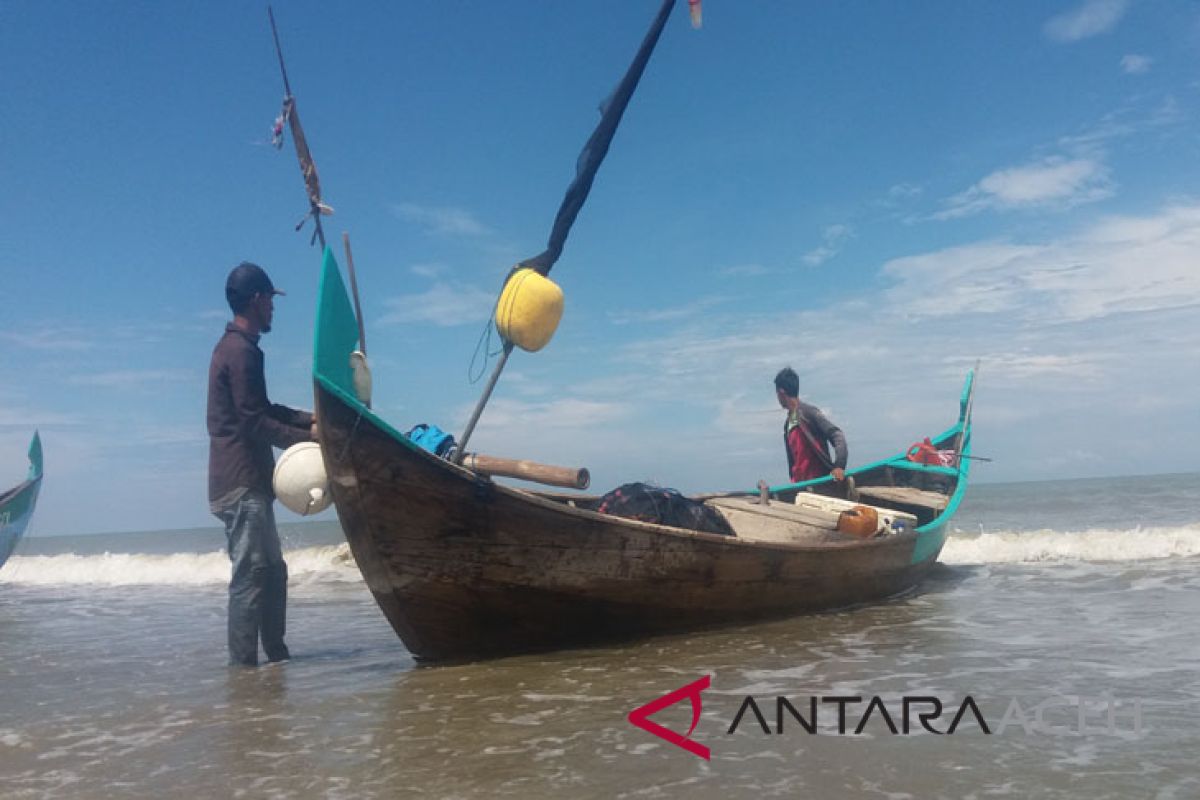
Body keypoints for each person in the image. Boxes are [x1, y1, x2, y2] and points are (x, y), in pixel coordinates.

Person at [207, 262, 315, 667]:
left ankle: (277, 659)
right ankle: (244, 672)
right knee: (252, 575)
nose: (274, 308)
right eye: (271, 299)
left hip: (248, 482)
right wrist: (310, 439)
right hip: (241, 484)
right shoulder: (239, 351)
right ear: (256, 300)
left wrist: (310, 419)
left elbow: (262, 409)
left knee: (272, 572)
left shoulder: (240, 348)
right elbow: (254, 422)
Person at [774, 367, 848, 484]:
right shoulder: (788, 424)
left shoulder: (808, 413)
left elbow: (837, 435)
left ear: (781, 393)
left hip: (819, 484)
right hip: (801, 486)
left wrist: (839, 466)